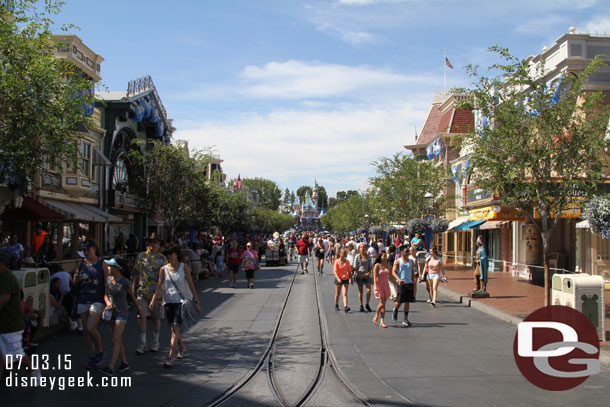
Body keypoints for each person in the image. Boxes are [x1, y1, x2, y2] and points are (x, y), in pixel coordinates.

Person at [150, 246, 201, 367]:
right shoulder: (163, 269)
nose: (168, 256)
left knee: (175, 329)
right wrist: (153, 300)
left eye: (170, 254)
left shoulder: (184, 268)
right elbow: (159, 285)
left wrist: (196, 301)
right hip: (168, 302)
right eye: (167, 254)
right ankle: (181, 347)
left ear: (176, 254)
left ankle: (170, 357)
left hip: (181, 302)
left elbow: (191, 284)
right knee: (172, 329)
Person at [0, 253, 42, 384]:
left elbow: (4, 299)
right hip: (3, 322)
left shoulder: (8, 277)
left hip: (11, 323)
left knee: (16, 352)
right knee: (0, 351)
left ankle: (34, 370)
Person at [100, 257, 142, 376]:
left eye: (110, 266)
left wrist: (139, 310)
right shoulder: (108, 280)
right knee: (117, 340)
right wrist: (107, 303)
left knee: (115, 339)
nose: (108, 268)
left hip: (122, 313)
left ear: (117, 268)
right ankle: (124, 362)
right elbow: (105, 295)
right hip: (111, 313)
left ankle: (111, 367)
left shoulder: (125, 282)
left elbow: (132, 297)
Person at [72, 240, 106, 368]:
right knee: (86, 330)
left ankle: (100, 351)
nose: (86, 253)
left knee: (91, 326)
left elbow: (108, 282)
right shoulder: (81, 263)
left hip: (97, 298)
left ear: (94, 249)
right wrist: (77, 279)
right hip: (83, 298)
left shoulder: (102, 263)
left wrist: (108, 299)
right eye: (84, 250)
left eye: (88, 250)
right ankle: (92, 355)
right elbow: (74, 282)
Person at [132, 233, 167, 354]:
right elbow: (136, 273)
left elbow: (164, 277)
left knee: (156, 318)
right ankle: (142, 343)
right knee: (142, 317)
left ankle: (155, 341)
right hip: (142, 291)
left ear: (158, 245)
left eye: (154, 242)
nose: (151, 245)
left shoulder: (162, 259)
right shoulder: (141, 257)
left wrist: (162, 290)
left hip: (156, 293)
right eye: (150, 242)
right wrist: (133, 289)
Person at [391, 246, 416, 326]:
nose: (408, 252)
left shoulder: (411, 261)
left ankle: (405, 318)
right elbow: (393, 272)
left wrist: (413, 283)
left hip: (409, 283)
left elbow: (412, 272)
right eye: (406, 251)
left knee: (407, 301)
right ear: (401, 252)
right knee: (399, 301)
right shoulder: (398, 261)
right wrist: (399, 279)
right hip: (401, 283)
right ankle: (395, 309)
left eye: (408, 250)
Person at [372, 251, 392, 328]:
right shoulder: (377, 265)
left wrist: (396, 282)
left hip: (386, 285)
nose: (385, 257)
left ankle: (382, 321)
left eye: (386, 256)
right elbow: (374, 277)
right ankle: (376, 315)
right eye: (383, 256)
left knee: (384, 305)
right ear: (380, 257)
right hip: (379, 285)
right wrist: (375, 287)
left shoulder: (388, 266)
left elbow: (390, 277)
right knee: (382, 303)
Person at [353, 243, 373, 312]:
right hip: (359, 275)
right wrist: (358, 274)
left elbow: (371, 265)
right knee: (360, 291)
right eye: (361, 247)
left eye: (364, 247)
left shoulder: (368, 256)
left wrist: (369, 272)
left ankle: (367, 304)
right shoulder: (357, 256)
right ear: (359, 249)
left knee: (369, 290)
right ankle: (361, 305)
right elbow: (355, 266)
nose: (363, 248)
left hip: (366, 275)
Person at [333, 248, 351, 313]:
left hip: (345, 278)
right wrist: (338, 278)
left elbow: (349, 270)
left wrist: (350, 278)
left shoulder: (347, 262)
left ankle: (346, 306)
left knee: (345, 294)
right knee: (338, 293)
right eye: (343, 253)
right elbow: (335, 271)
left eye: (345, 254)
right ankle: (336, 305)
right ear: (340, 254)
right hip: (338, 279)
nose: (344, 255)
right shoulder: (337, 261)